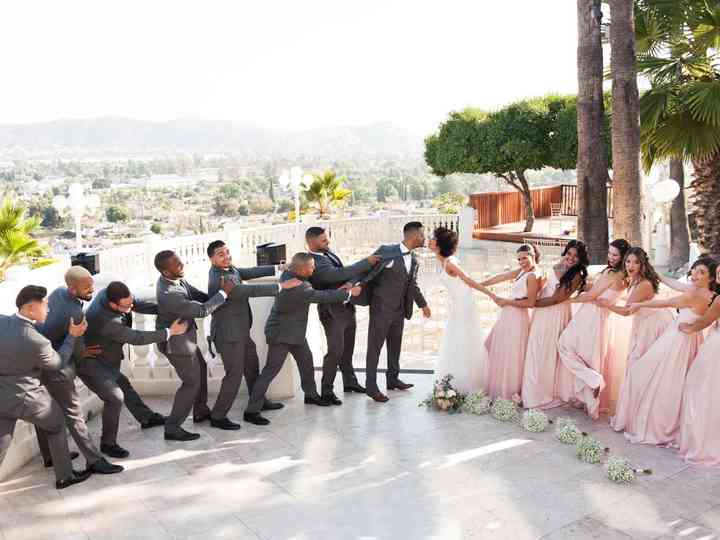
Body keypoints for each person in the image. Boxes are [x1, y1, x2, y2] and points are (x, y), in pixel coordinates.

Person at [243, 253, 361, 425]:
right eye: (311, 267)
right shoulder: (299, 287)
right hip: (281, 335)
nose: (314, 269)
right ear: (300, 269)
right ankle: (251, 410)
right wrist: (349, 293)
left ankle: (311, 395)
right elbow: (324, 296)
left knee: (306, 362)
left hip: (294, 333)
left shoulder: (290, 275)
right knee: (270, 371)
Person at [614, 257, 717, 446]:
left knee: (654, 376)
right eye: (694, 270)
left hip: (678, 340)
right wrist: (657, 274)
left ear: (711, 278)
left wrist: (640, 304)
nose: (694, 274)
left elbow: (667, 303)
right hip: (688, 338)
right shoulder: (704, 292)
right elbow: (675, 284)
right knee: (670, 380)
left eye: (701, 272)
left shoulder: (695, 295)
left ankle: (656, 425)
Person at [77, 281, 189, 456]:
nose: (130, 309)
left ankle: (146, 417)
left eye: (130, 304)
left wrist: (166, 309)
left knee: (124, 384)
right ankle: (108, 444)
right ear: (113, 304)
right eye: (126, 307)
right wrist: (170, 332)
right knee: (114, 398)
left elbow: (136, 303)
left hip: (107, 355)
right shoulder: (106, 321)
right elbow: (137, 337)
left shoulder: (110, 293)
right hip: (93, 361)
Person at [0, 286, 92, 489]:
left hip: (2, 395)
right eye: (46, 306)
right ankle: (65, 476)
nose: (48, 310)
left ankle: (51, 458)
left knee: (2, 443)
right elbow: (57, 362)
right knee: (57, 422)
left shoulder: (1, 321)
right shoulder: (36, 340)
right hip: (25, 396)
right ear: (31, 309)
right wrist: (72, 335)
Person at [35, 266, 123, 473]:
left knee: (42, 412)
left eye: (91, 284)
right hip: (58, 367)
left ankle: (49, 456)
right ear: (72, 289)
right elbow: (78, 349)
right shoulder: (74, 312)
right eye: (86, 287)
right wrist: (83, 351)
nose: (91, 289)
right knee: (74, 415)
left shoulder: (57, 292)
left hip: (38, 363)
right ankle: (94, 460)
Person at [206, 240, 300, 428]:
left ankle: (258, 401)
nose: (227, 256)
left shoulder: (230, 269)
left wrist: (279, 267)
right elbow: (247, 290)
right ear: (211, 259)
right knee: (234, 376)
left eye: (227, 252)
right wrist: (282, 287)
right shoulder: (219, 279)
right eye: (220, 254)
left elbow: (249, 272)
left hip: (241, 332)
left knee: (252, 367)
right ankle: (218, 416)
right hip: (229, 335)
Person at [154, 250, 235, 441]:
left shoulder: (177, 279)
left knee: (202, 367)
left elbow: (196, 295)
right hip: (177, 345)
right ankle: (172, 427)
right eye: (176, 264)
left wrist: (216, 297)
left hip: (186, 340)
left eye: (180, 261)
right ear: (165, 272)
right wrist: (224, 293)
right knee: (191, 383)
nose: (181, 265)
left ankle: (200, 410)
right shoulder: (170, 293)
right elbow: (201, 311)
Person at [556, 239, 630, 419]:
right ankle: (589, 400)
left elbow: (591, 296)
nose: (610, 257)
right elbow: (604, 293)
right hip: (602, 318)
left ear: (623, 257)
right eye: (610, 253)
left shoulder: (612, 274)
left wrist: (566, 299)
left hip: (591, 315)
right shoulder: (624, 276)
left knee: (564, 345)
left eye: (615, 255)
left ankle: (593, 380)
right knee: (589, 357)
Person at [306, 226, 379, 403]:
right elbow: (336, 274)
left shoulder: (327, 253)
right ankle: (327, 391)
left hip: (346, 306)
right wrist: (366, 262)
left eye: (327, 238)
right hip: (331, 311)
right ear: (311, 242)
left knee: (347, 350)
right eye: (323, 240)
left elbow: (345, 274)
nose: (327, 242)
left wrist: (351, 283)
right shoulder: (313, 261)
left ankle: (350, 382)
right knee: (335, 352)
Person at [360, 222, 431, 403]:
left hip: (399, 310)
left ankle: (392, 379)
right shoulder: (387, 251)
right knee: (374, 348)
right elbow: (366, 271)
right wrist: (355, 287)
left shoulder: (413, 259)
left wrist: (422, 305)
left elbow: (411, 284)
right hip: (381, 309)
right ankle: (371, 387)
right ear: (413, 236)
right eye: (422, 235)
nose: (424, 238)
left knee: (395, 346)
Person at [607, 248, 674, 430]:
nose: (631, 265)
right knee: (638, 369)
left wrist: (605, 304)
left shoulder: (644, 284)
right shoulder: (634, 280)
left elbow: (628, 311)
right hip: (644, 325)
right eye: (628, 261)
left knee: (640, 370)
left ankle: (643, 420)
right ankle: (634, 416)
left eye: (636, 262)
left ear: (643, 264)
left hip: (653, 327)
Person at [461, 243, 539, 400]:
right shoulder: (523, 271)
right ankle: (497, 385)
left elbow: (531, 303)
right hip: (508, 315)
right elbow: (501, 277)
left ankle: (508, 390)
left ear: (533, 256)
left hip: (517, 316)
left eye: (525, 258)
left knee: (510, 354)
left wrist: (507, 302)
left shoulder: (533, 275)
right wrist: (478, 285)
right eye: (519, 259)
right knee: (492, 346)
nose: (522, 262)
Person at [521, 240, 589, 409]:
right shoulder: (560, 265)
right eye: (569, 253)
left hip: (555, 313)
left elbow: (557, 298)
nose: (571, 258)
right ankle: (531, 391)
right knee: (535, 350)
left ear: (581, 259)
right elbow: (546, 283)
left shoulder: (576, 275)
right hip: (542, 311)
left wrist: (531, 303)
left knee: (545, 352)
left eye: (576, 256)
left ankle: (540, 396)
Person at [429, 226, 488, 394]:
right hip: (457, 305)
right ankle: (454, 385)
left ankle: (465, 386)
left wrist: (492, 295)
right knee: (456, 343)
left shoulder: (451, 263)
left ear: (440, 245)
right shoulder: (443, 261)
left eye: (433, 238)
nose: (430, 240)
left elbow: (468, 280)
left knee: (463, 341)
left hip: (464, 306)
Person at [677, 264, 720, 465]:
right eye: (718, 272)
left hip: (715, 348)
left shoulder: (719, 300)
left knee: (700, 389)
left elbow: (705, 321)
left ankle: (703, 442)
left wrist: (690, 327)